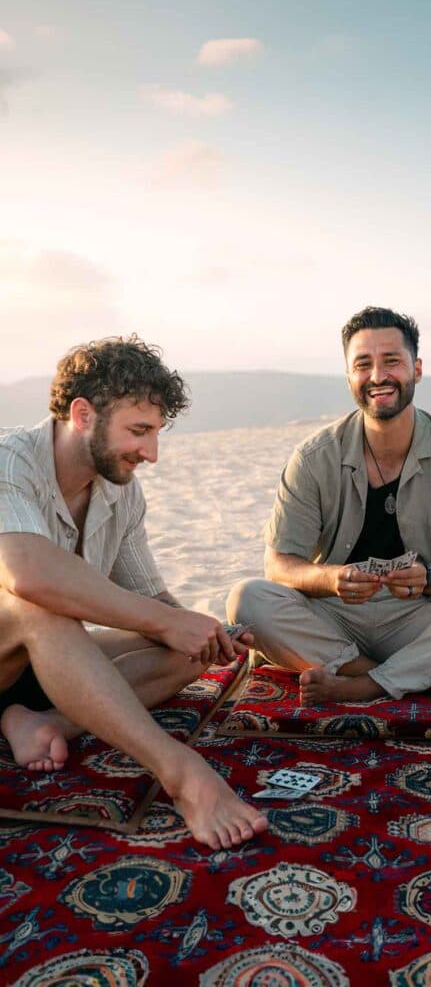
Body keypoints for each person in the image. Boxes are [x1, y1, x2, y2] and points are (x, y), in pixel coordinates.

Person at [0, 336, 267, 850]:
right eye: (139, 431)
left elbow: (152, 601)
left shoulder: (120, 491)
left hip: (47, 666)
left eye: (156, 433)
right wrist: (165, 621)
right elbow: (27, 574)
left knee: (188, 650)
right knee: (40, 606)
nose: (152, 453)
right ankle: (182, 774)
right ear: (82, 414)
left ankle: (39, 721)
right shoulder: (11, 460)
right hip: (12, 642)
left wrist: (199, 630)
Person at [229, 306, 431, 704]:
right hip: (335, 618)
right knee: (247, 600)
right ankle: (413, 675)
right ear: (349, 377)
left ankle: (366, 684)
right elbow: (279, 565)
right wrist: (332, 579)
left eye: (392, 362)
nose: (377, 376)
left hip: (422, 618)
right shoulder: (314, 456)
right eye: (363, 364)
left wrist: (428, 576)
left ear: (416, 369)